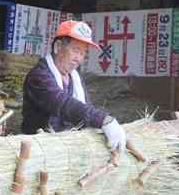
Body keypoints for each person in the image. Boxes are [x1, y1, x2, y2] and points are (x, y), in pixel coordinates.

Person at [21, 20, 126, 153]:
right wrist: (104, 120)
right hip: (38, 150)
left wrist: (107, 127)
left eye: (83, 53)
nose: (79, 59)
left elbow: (85, 108)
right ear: (58, 47)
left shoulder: (74, 78)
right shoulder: (39, 76)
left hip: (65, 149)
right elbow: (63, 103)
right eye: (75, 50)